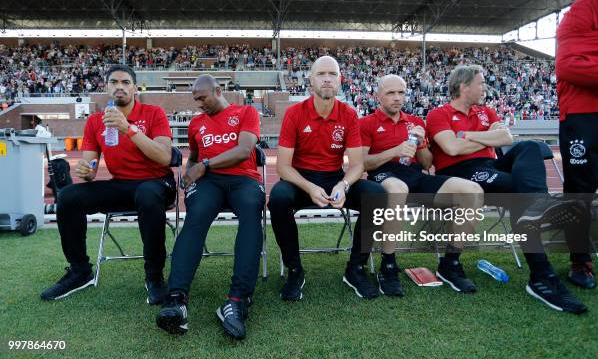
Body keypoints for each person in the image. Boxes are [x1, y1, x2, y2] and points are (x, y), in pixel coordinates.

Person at [426, 65, 587, 314]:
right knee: (517, 194)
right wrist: (485, 137)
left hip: (492, 166)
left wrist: (466, 135)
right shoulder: (439, 114)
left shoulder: (486, 111)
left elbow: (507, 138)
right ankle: (541, 275)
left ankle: (537, 204)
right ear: (463, 86)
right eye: (480, 83)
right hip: (461, 173)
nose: (485, 88)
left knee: (531, 147)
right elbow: (452, 149)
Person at [40, 65, 176, 304]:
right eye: (114, 82)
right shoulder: (95, 121)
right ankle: (79, 270)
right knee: (70, 196)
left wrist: (128, 129)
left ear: (135, 87)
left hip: (157, 184)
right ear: (106, 87)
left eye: (125, 82)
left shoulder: (154, 113)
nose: (120, 87)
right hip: (122, 185)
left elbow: (165, 157)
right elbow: (90, 167)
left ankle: (154, 276)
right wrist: (86, 170)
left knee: (146, 193)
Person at [268, 56, 387, 301]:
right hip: (300, 180)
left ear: (339, 80)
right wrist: (309, 187)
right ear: (310, 79)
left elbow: (357, 165)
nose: (327, 79)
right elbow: (282, 167)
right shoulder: (294, 113)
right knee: (278, 198)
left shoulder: (348, 114)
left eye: (332, 74)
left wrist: (344, 185)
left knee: (376, 195)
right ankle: (295, 270)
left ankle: (355, 269)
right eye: (321, 74)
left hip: (335, 179)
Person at [155, 75, 265, 340]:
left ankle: (237, 301)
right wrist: (189, 172)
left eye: (202, 98)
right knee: (196, 216)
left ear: (218, 90)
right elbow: (193, 157)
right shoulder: (196, 124)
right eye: (195, 100)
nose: (199, 104)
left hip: (243, 179)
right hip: (209, 183)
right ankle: (176, 300)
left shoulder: (246, 112)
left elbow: (244, 149)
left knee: (251, 212)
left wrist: (206, 165)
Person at [360, 74, 484, 295]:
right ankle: (388, 264)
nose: (397, 98)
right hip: (384, 175)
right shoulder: (366, 123)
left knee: (472, 191)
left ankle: (451, 263)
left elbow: (427, 163)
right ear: (378, 96)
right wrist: (394, 152)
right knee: (399, 189)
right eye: (390, 93)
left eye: (401, 93)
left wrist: (421, 143)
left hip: (416, 175)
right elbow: (362, 163)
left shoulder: (416, 122)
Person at [555, 0, 598, 289]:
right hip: (584, 116)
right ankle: (580, 261)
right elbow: (570, 67)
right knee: (579, 193)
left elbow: (589, 66)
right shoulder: (581, 12)